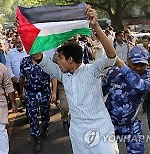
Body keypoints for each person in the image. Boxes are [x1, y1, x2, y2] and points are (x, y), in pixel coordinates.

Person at [30, 6, 119, 154]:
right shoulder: (62, 74)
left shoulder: (92, 70)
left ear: (70, 59)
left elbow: (111, 56)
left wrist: (96, 26)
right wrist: (25, 31)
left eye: (60, 58)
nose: (57, 62)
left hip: (101, 130)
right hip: (77, 133)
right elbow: (38, 57)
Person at [102, 46, 150, 154]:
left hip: (131, 125)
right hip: (109, 125)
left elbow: (142, 86)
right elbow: (99, 93)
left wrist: (121, 65)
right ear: (128, 60)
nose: (139, 68)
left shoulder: (147, 76)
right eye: (135, 64)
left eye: (142, 64)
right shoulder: (113, 72)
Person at [19, 55, 57, 152]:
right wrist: (21, 92)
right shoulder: (24, 61)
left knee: (45, 113)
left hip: (44, 92)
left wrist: (53, 93)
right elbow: (22, 77)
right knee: (32, 117)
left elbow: (53, 77)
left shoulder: (46, 60)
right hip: (30, 93)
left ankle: (45, 128)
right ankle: (36, 138)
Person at [0, 62, 18, 154]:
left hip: (0, 105)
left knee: (0, 130)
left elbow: (9, 87)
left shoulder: (2, 68)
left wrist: (13, 103)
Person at [6, 36, 27, 109]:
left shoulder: (28, 51)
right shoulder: (10, 53)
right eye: (17, 42)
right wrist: (12, 76)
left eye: (20, 42)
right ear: (14, 43)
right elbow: (8, 65)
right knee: (22, 95)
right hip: (17, 80)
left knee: (29, 98)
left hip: (28, 79)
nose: (19, 44)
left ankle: (29, 110)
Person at [52, 52, 70, 130]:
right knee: (65, 106)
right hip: (62, 84)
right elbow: (53, 72)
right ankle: (65, 119)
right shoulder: (56, 56)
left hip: (75, 82)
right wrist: (54, 91)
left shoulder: (74, 52)